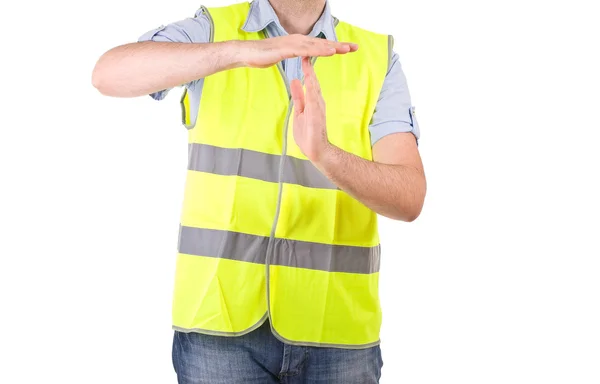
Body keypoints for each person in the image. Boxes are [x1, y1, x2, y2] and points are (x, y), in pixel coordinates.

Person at [92, 0, 426, 382]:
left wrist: (326, 154)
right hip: (219, 327)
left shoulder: (376, 57)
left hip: (338, 331)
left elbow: (409, 198)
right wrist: (244, 51)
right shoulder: (212, 30)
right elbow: (108, 74)